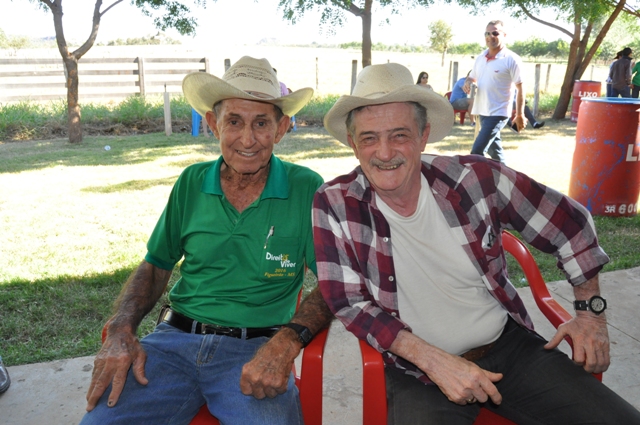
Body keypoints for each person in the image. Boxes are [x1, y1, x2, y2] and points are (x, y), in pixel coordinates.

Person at [313, 62, 640, 424]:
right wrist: (434, 361)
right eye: (369, 138)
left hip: (509, 349)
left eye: (400, 135)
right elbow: (349, 302)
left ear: (423, 135)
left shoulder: (476, 179)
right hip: (416, 370)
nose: (385, 153)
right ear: (353, 144)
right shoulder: (334, 203)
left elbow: (571, 224)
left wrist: (590, 314)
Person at [80, 56, 334, 425]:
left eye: (261, 123)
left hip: (255, 350)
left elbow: (332, 282)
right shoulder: (191, 182)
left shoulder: (306, 187)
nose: (247, 139)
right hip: (173, 343)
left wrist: (287, 341)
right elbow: (155, 265)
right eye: (234, 121)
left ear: (281, 128)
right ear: (213, 124)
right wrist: (121, 327)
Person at [464, 20, 526, 164]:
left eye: (495, 33)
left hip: (498, 112)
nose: (490, 36)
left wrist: (520, 114)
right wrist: (468, 82)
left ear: (504, 35)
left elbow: (521, 88)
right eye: (487, 33)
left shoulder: (511, 59)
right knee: (496, 154)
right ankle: (506, 176)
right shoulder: (480, 58)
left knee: (476, 152)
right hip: (482, 111)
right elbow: (472, 77)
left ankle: (475, 179)